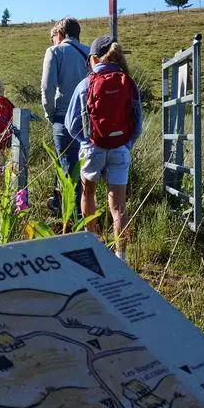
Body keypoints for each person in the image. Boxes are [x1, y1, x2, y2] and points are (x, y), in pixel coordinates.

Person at [64, 35, 142, 262]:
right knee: (118, 205)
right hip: (120, 150)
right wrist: (125, 144)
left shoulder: (86, 84)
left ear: (94, 58)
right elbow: (137, 124)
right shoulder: (129, 82)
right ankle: (121, 257)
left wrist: (87, 141)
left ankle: (94, 250)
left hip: (92, 149)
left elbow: (71, 124)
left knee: (88, 195)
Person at [41, 17, 89, 215]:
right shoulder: (90, 53)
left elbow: (47, 86)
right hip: (88, 118)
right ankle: (78, 211)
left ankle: (73, 217)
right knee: (85, 167)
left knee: (68, 169)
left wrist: (50, 114)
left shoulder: (55, 51)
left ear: (59, 35)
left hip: (64, 116)